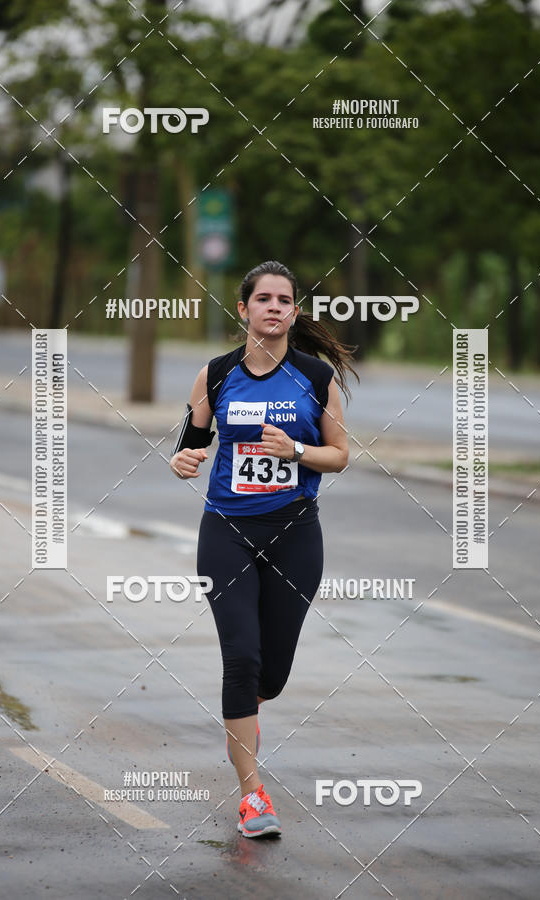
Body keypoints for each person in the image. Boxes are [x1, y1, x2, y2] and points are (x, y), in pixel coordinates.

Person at [170, 260, 357, 838]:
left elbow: (341, 454)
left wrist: (295, 450)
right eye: (264, 298)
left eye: (285, 300)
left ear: (294, 312)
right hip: (226, 530)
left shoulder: (314, 378)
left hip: (295, 531)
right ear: (244, 308)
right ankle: (252, 794)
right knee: (241, 657)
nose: (274, 307)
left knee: (268, 676)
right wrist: (184, 461)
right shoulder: (217, 375)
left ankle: (247, 721)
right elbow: (190, 445)